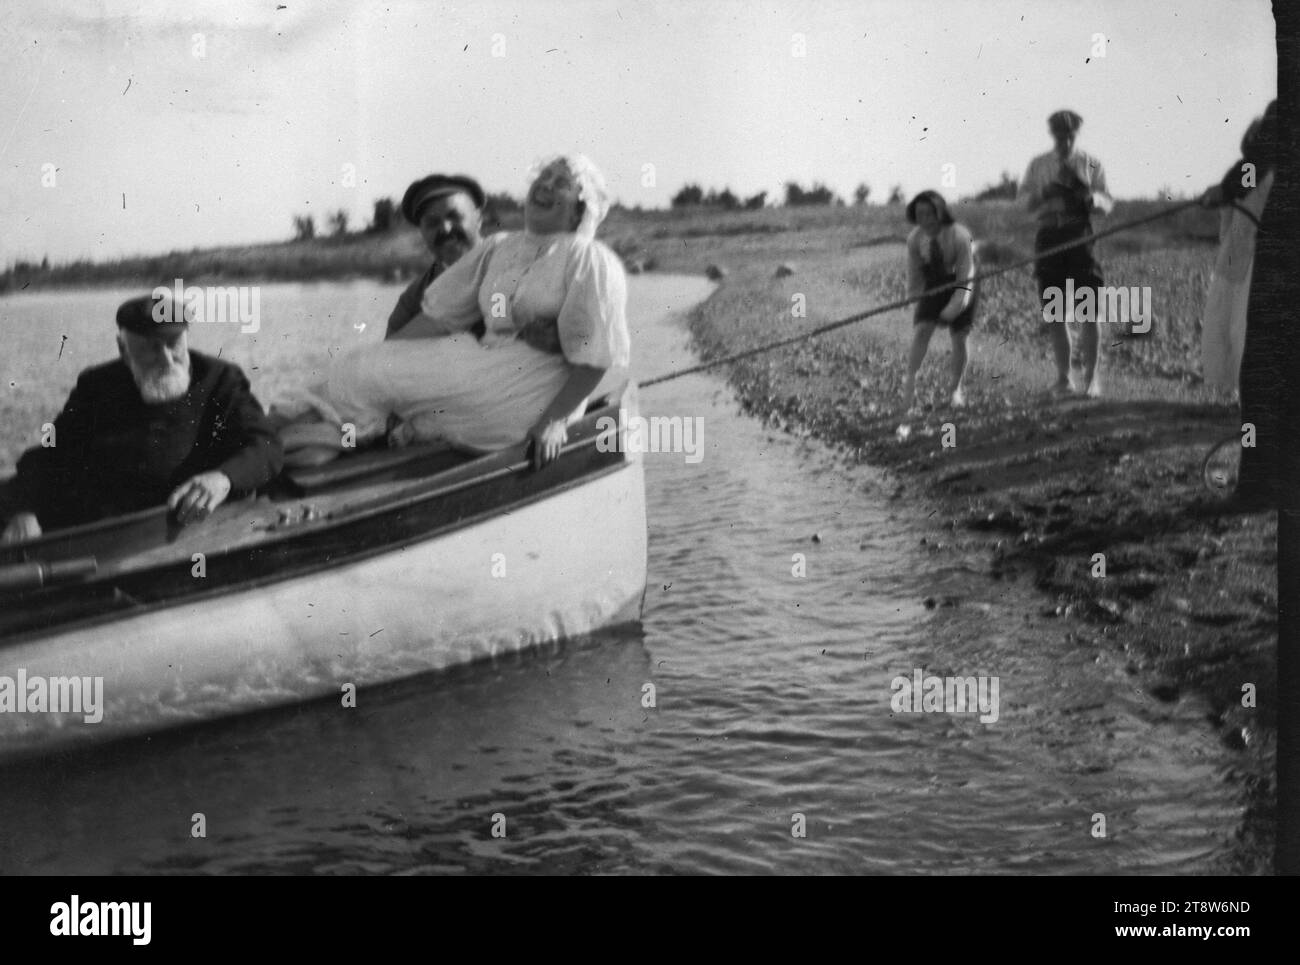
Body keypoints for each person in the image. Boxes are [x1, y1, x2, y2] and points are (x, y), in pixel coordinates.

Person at [274, 154, 629, 470]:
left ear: (580, 210)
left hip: (532, 392)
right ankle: (292, 443)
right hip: (483, 369)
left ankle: (282, 440)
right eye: (544, 176)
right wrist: (377, 360)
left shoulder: (589, 259)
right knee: (356, 371)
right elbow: (438, 318)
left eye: (562, 184)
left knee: (360, 378)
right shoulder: (500, 247)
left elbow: (595, 358)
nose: (546, 186)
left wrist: (555, 422)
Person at [0, 293, 283, 544]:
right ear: (123, 348)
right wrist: (24, 508)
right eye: (150, 348)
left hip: (187, 533)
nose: (167, 359)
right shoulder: (96, 385)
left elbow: (266, 446)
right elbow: (51, 454)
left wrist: (223, 479)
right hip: (105, 532)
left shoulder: (220, 379)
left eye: (174, 343)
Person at [1198, 100, 1281, 508]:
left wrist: (1221, 192)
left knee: (1259, 379)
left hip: (1263, 275)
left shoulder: (1261, 158)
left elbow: (1246, 171)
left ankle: (1258, 484)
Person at [1018, 109, 1113, 398]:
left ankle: (1092, 379)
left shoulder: (1090, 163)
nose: (1065, 140)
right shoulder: (1039, 165)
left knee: (1088, 310)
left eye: (1070, 134)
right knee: (1055, 313)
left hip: (1079, 236)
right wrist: (1041, 195)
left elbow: (1107, 201)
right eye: (1060, 134)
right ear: (1052, 134)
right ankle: (1063, 378)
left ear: (1076, 134)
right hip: (1049, 237)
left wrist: (1091, 199)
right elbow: (1023, 202)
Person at [386, 173, 487, 340]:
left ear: (479, 219)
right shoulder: (413, 299)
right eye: (432, 223)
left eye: (455, 217)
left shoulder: (513, 263)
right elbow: (389, 357)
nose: (445, 229)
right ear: (422, 232)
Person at [901, 190, 978, 411]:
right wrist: (914, 297)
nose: (924, 220)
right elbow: (915, 274)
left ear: (940, 213)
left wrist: (954, 308)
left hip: (963, 281)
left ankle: (955, 390)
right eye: (919, 215)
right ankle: (910, 384)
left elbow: (966, 277)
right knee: (923, 329)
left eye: (929, 214)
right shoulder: (915, 239)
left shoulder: (960, 235)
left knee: (960, 336)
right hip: (934, 284)